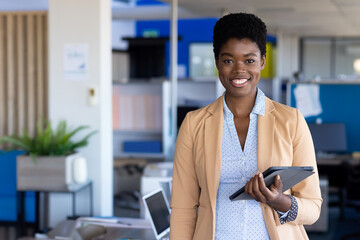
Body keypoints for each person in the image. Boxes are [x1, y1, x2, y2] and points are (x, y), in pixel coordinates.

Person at [170, 13, 322, 240]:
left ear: (262, 61)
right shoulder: (194, 124)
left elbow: (313, 208)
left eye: (249, 60)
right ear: (217, 62)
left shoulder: (291, 121)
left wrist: (278, 200)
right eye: (228, 60)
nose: (239, 70)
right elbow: (183, 208)